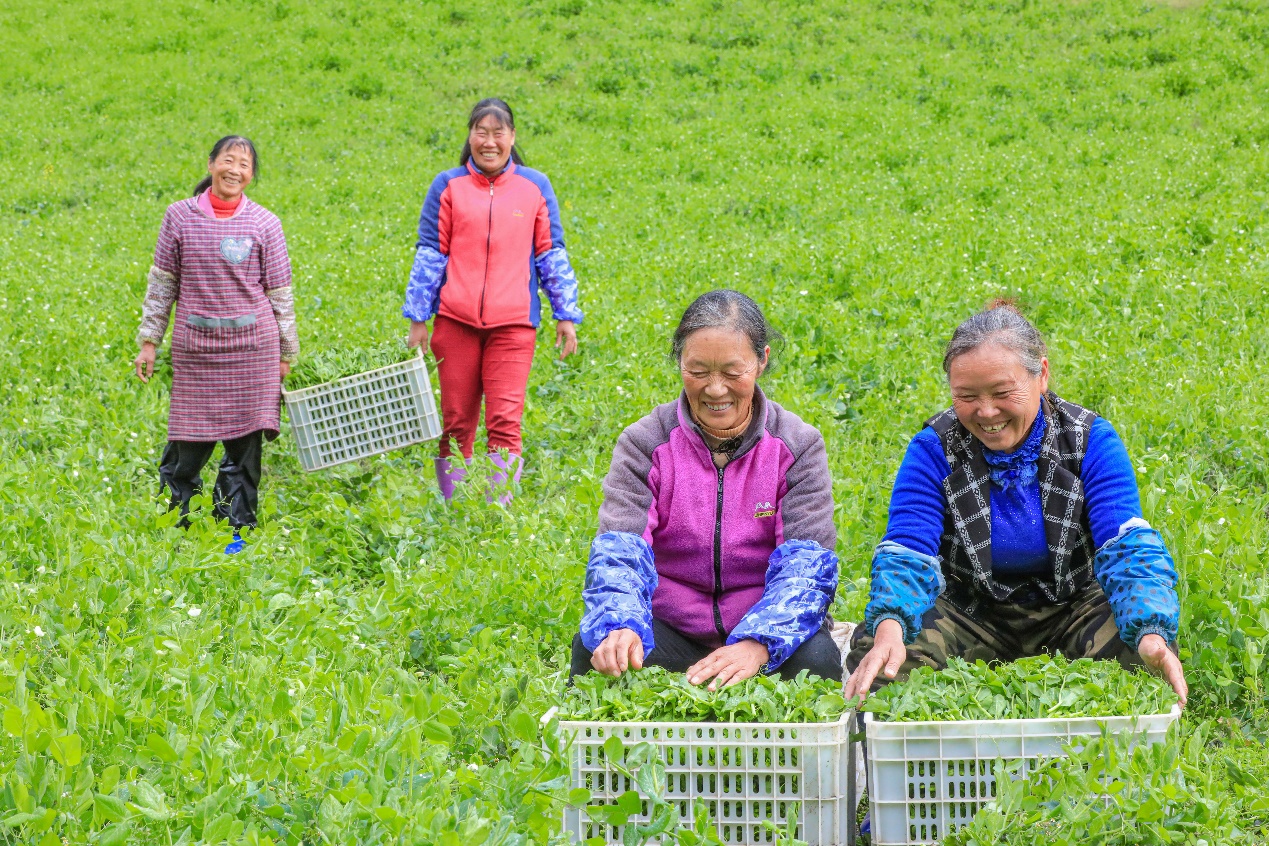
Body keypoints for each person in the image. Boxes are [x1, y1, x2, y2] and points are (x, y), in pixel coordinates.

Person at [843, 301, 1186, 705]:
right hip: (969, 611)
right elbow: (908, 547)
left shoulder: (1089, 440)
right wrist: (891, 627)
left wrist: (1149, 630)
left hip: (1072, 606)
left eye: (1003, 393)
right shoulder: (935, 449)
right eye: (966, 396)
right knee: (885, 656)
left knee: (1143, 654)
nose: (986, 412)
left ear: (1041, 375)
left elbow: (1126, 544)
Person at [572, 290, 841, 688]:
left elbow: (807, 568)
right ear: (680, 363)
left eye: (733, 372)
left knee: (816, 660)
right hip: (670, 631)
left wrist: (758, 642)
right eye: (698, 371)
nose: (715, 390)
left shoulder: (797, 446)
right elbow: (620, 550)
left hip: (762, 636)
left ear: (762, 361)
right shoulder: (645, 443)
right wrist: (622, 625)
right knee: (594, 651)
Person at [401, 98, 583, 503]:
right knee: (455, 423)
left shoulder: (535, 186)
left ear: (512, 137)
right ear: (470, 136)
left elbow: (551, 253)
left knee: (504, 421)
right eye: (481, 132)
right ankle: (455, 510)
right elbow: (430, 253)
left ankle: (497, 514)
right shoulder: (447, 185)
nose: (489, 141)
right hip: (455, 323)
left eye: (498, 132)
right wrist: (418, 317)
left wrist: (565, 314)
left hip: (514, 327)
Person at [134, 135, 298, 555]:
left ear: (251, 175)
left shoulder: (266, 223)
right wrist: (149, 341)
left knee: (244, 450)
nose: (235, 169)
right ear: (210, 164)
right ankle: (177, 527)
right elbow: (162, 284)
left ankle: (235, 534)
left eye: (244, 164)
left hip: (253, 352)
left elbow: (280, 293)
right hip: (197, 353)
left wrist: (286, 353)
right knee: (187, 444)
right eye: (228, 160)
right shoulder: (179, 217)